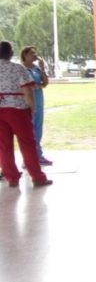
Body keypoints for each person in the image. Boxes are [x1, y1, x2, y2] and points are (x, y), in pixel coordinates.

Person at [0, 41, 52, 188]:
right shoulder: (18, 69)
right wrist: (32, 109)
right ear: (11, 53)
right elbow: (28, 92)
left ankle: (12, 177)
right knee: (28, 144)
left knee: (4, 146)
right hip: (18, 110)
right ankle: (37, 177)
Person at [20, 46, 52, 165]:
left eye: (35, 53)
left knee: (38, 129)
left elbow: (45, 83)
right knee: (28, 130)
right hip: (27, 103)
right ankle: (28, 158)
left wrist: (43, 68)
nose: (35, 55)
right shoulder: (21, 69)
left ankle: (38, 155)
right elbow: (24, 86)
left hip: (39, 101)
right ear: (25, 55)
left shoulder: (36, 68)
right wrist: (36, 86)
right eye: (32, 53)